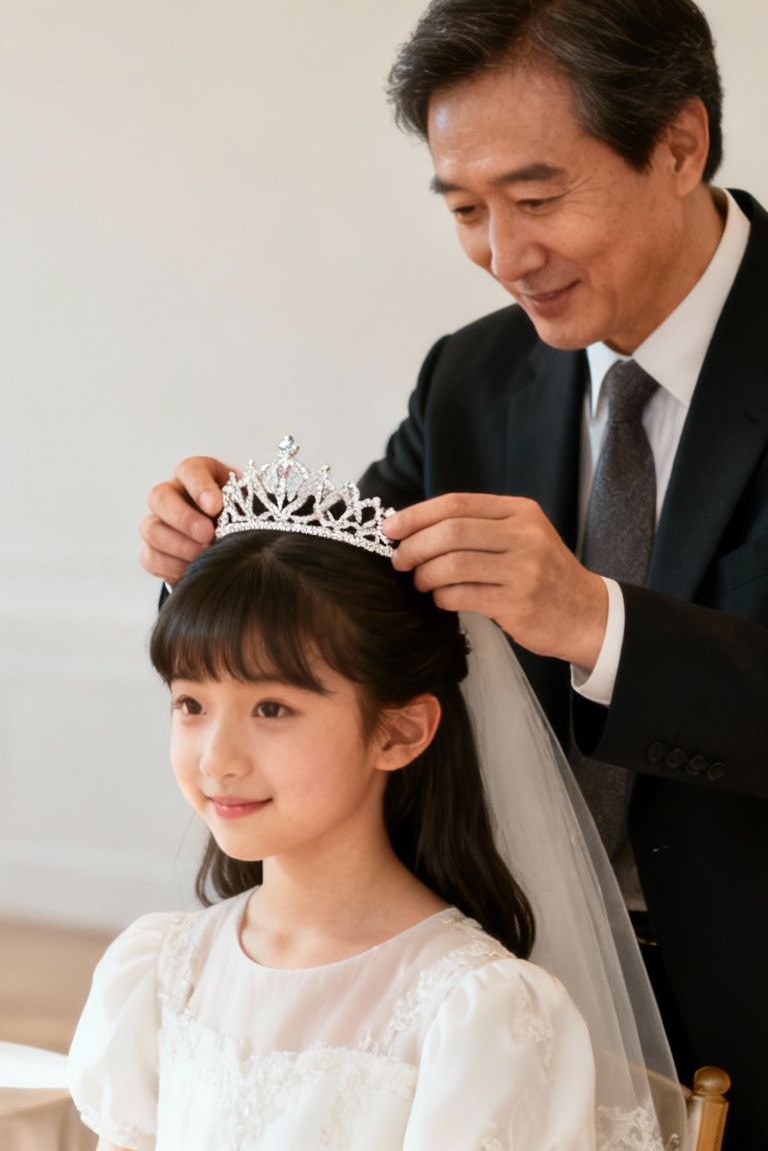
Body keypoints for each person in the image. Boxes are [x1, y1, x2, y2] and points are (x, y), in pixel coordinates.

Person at [137, 1, 768, 1146]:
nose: (502, 255)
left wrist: (591, 620)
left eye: (535, 199)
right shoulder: (469, 378)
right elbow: (351, 628)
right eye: (464, 209)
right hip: (541, 1012)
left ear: (678, 145)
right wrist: (212, 551)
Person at [75, 441, 679, 1150]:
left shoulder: (474, 1013)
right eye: (190, 704)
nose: (217, 759)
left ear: (398, 732)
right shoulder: (161, 970)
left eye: (272, 708)